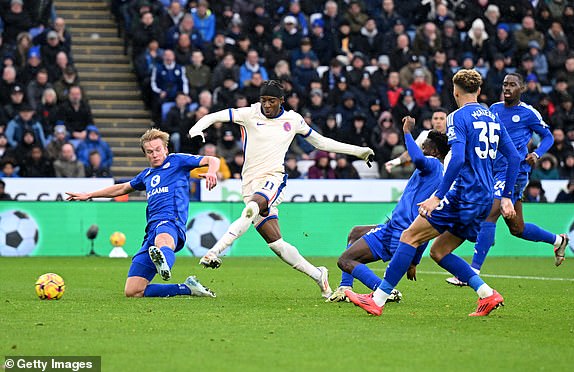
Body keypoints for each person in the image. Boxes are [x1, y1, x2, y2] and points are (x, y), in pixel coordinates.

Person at [345, 69, 521, 317]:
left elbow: (458, 158)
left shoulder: (457, 117)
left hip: (463, 194)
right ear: (479, 91)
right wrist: (506, 197)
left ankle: (378, 299)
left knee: (409, 236)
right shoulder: (493, 117)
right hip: (484, 198)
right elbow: (514, 156)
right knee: (439, 251)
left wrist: (438, 196)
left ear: (455, 91)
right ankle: (487, 294)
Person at [188, 80, 374, 298]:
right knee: (276, 244)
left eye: (271, 101)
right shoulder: (249, 114)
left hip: (273, 179)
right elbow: (214, 116)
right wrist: (197, 128)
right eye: (264, 100)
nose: (267, 105)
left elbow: (321, 143)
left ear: (281, 101)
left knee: (250, 209)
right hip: (249, 183)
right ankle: (318, 275)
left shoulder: (293, 120)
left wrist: (358, 151)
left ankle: (214, 252)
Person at [446, 73, 569, 287]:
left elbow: (548, 136)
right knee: (517, 228)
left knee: (489, 214)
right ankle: (558, 240)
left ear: (521, 87)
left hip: (516, 171)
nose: (507, 88)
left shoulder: (528, 113)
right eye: (504, 84)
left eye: (512, 84)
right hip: (492, 171)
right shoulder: (493, 109)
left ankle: (471, 272)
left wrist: (537, 154)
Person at [66, 129, 220, 298]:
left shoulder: (177, 161)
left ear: (166, 149)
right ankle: (187, 288)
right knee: (133, 291)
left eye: (158, 150)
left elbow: (212, 159)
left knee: (163, 240)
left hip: (171, 221)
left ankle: (165, 264)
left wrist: (212, 171)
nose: (155, 154)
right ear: (145, 154)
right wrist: (90, 195)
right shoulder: (146, 175)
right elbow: (122, 188)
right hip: (150, 232)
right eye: (150, 152)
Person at [329, 116, 450, 302]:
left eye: (424, 146)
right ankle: (346, 287)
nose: (420, 148)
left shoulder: (433, 164)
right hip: (395, 230)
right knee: (355, 233)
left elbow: (417, 158)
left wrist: (407, 132)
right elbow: (425, 229)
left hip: (398, 233)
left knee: (345, 261)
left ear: (433, 150)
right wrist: (414, 261)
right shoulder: (438, 174)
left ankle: (382, 291)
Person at [385, 107, 450, 172]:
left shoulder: (453, 136)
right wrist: (395, 162)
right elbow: (411, 153)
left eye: (442, 119)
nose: (438, 121)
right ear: (431, 121)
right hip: (428, 174)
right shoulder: (424, 135)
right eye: (435, 118)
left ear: (447, 121)